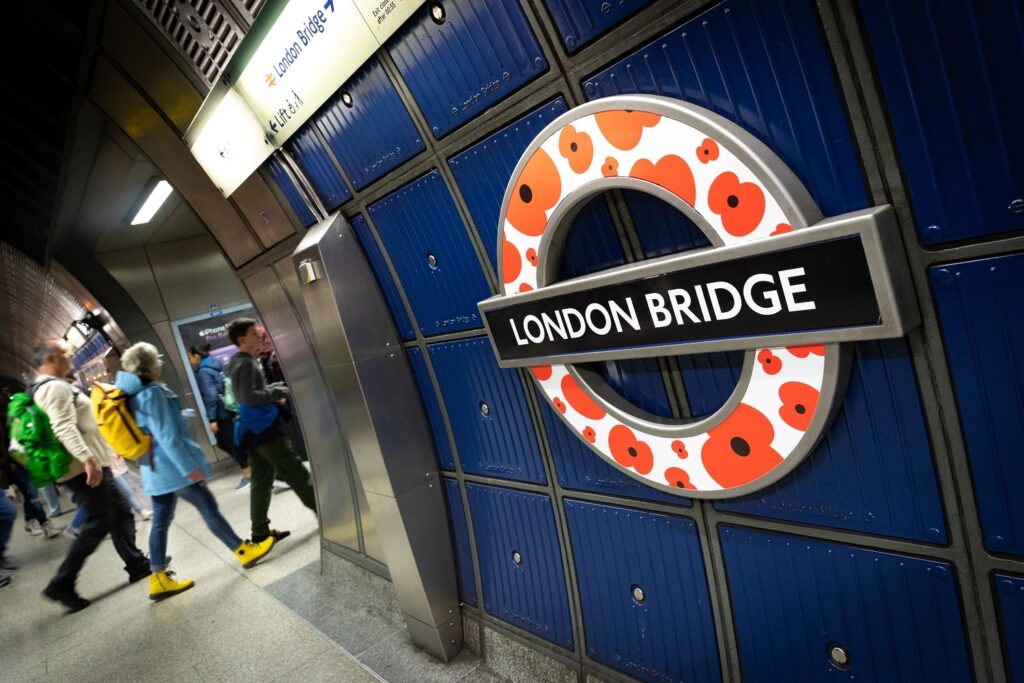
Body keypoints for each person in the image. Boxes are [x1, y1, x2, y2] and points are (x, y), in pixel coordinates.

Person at [115, 342, 276, 600]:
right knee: (207, 507)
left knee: (161, 520)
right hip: (172, 467)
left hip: (155, 467)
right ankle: (243, 550)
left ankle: (157, 579)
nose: (160, 361)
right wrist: (188, 468)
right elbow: (166, 436)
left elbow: (155, 427)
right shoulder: (152, 393)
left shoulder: (136, 393)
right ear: (148, 365)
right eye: (156, 358)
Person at [30, 340, 150, 612]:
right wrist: (89, 459)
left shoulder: (49, 385)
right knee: (101, 519)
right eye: (66, 352)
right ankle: (62, 582)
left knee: (119, 511)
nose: (71, 355)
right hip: (82, 467)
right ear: (52, 357)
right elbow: (62, 426)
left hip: (88, 464)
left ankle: (137, 563)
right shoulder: (54, 387)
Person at [225, 318, 317, 543]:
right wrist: (276, 394)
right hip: (265, 430)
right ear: (242, 339)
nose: (259, 336)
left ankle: (259, 532)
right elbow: (250, 397)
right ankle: (327, 513)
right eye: (254, 334)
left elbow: (249, 393)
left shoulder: (237, 362)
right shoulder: (246, 363)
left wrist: (273, 388)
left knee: (261, 480)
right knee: (295, 470)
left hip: (252, 431)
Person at [187, 346, 248, 491]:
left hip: (220, 413)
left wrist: (212, 419)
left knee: (230, 444)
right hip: (228, 408)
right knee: (227, 443)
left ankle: (249, 474)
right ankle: (250, 470)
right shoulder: (215, 364)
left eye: (190, 357)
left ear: (197, 356)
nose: (190, 361)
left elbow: (211, 396)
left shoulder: (203, 372)